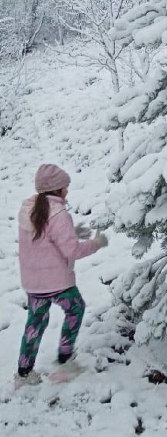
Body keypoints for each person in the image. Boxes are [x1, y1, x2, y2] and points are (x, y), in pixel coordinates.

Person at [15, 164, 108, 387]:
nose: (67, 191)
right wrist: (97, 243)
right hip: (57, 282)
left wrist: (73, 233)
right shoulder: (59, 213)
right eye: (65, 187)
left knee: (35, 323)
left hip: (33, 283)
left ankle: (24, 373)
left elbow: (44, 238)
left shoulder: (29, 209)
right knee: (76, 308)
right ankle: (65, 361)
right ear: (57, 189)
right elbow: (72, 251)